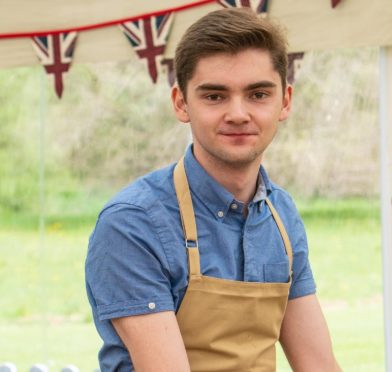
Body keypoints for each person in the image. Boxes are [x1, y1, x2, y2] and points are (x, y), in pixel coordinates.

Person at [86, 7, 341, 372]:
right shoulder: (132, 224)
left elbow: (319, 365)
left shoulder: (280, 215)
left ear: (285, 101)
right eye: (215, 96)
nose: (238, 113)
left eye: (257, 94)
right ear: (180, 102)